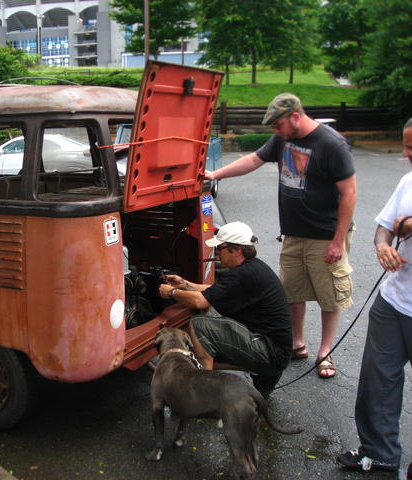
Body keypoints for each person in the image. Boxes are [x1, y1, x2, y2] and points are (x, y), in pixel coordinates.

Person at [205, 93, 357, 379]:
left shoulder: (331, 144)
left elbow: (349, 193)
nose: (276, 131)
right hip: (293, 233)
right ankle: (297, 343)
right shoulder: (283, 139)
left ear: (295, 116)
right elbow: (254, 160)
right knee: (292, 291)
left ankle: (325, 351)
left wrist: (338, 241)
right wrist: (216, 174)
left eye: (278, 125)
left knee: (329, 295)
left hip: (325, 235)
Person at [337, 118, 412, 473]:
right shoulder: (408, 181)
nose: (407, 153)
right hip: (394, 301)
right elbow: (385, 227)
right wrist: (383, 245)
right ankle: (379, 452)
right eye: (406, 145)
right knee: (378, 380)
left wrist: (406, 224)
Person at [158, 221, 292, 398]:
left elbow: (200, 302)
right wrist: (184, 284)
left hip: (270, 353)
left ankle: (201, 392)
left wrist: (171, 292)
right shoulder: (252, 268)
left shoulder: (242, 274)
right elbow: (213, 291)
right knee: (202, 349)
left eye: (220, 248)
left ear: (237, 250)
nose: (217, 253)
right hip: (273, 349)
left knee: (200, 325)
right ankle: (260, 372)